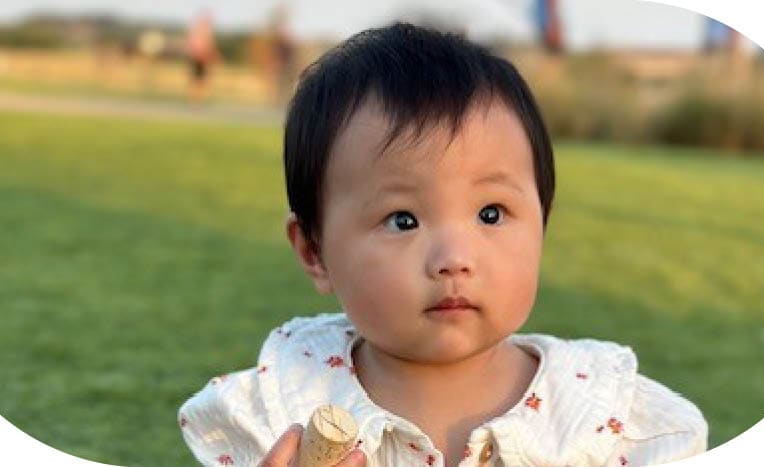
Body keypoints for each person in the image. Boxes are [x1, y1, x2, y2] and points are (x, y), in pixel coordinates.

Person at [178, 23, 707, 467]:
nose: (455, 258)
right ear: (314, 252)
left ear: (541, 225)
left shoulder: (613, 420)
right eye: (403, 219)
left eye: (491, 214)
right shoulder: (276, 414)